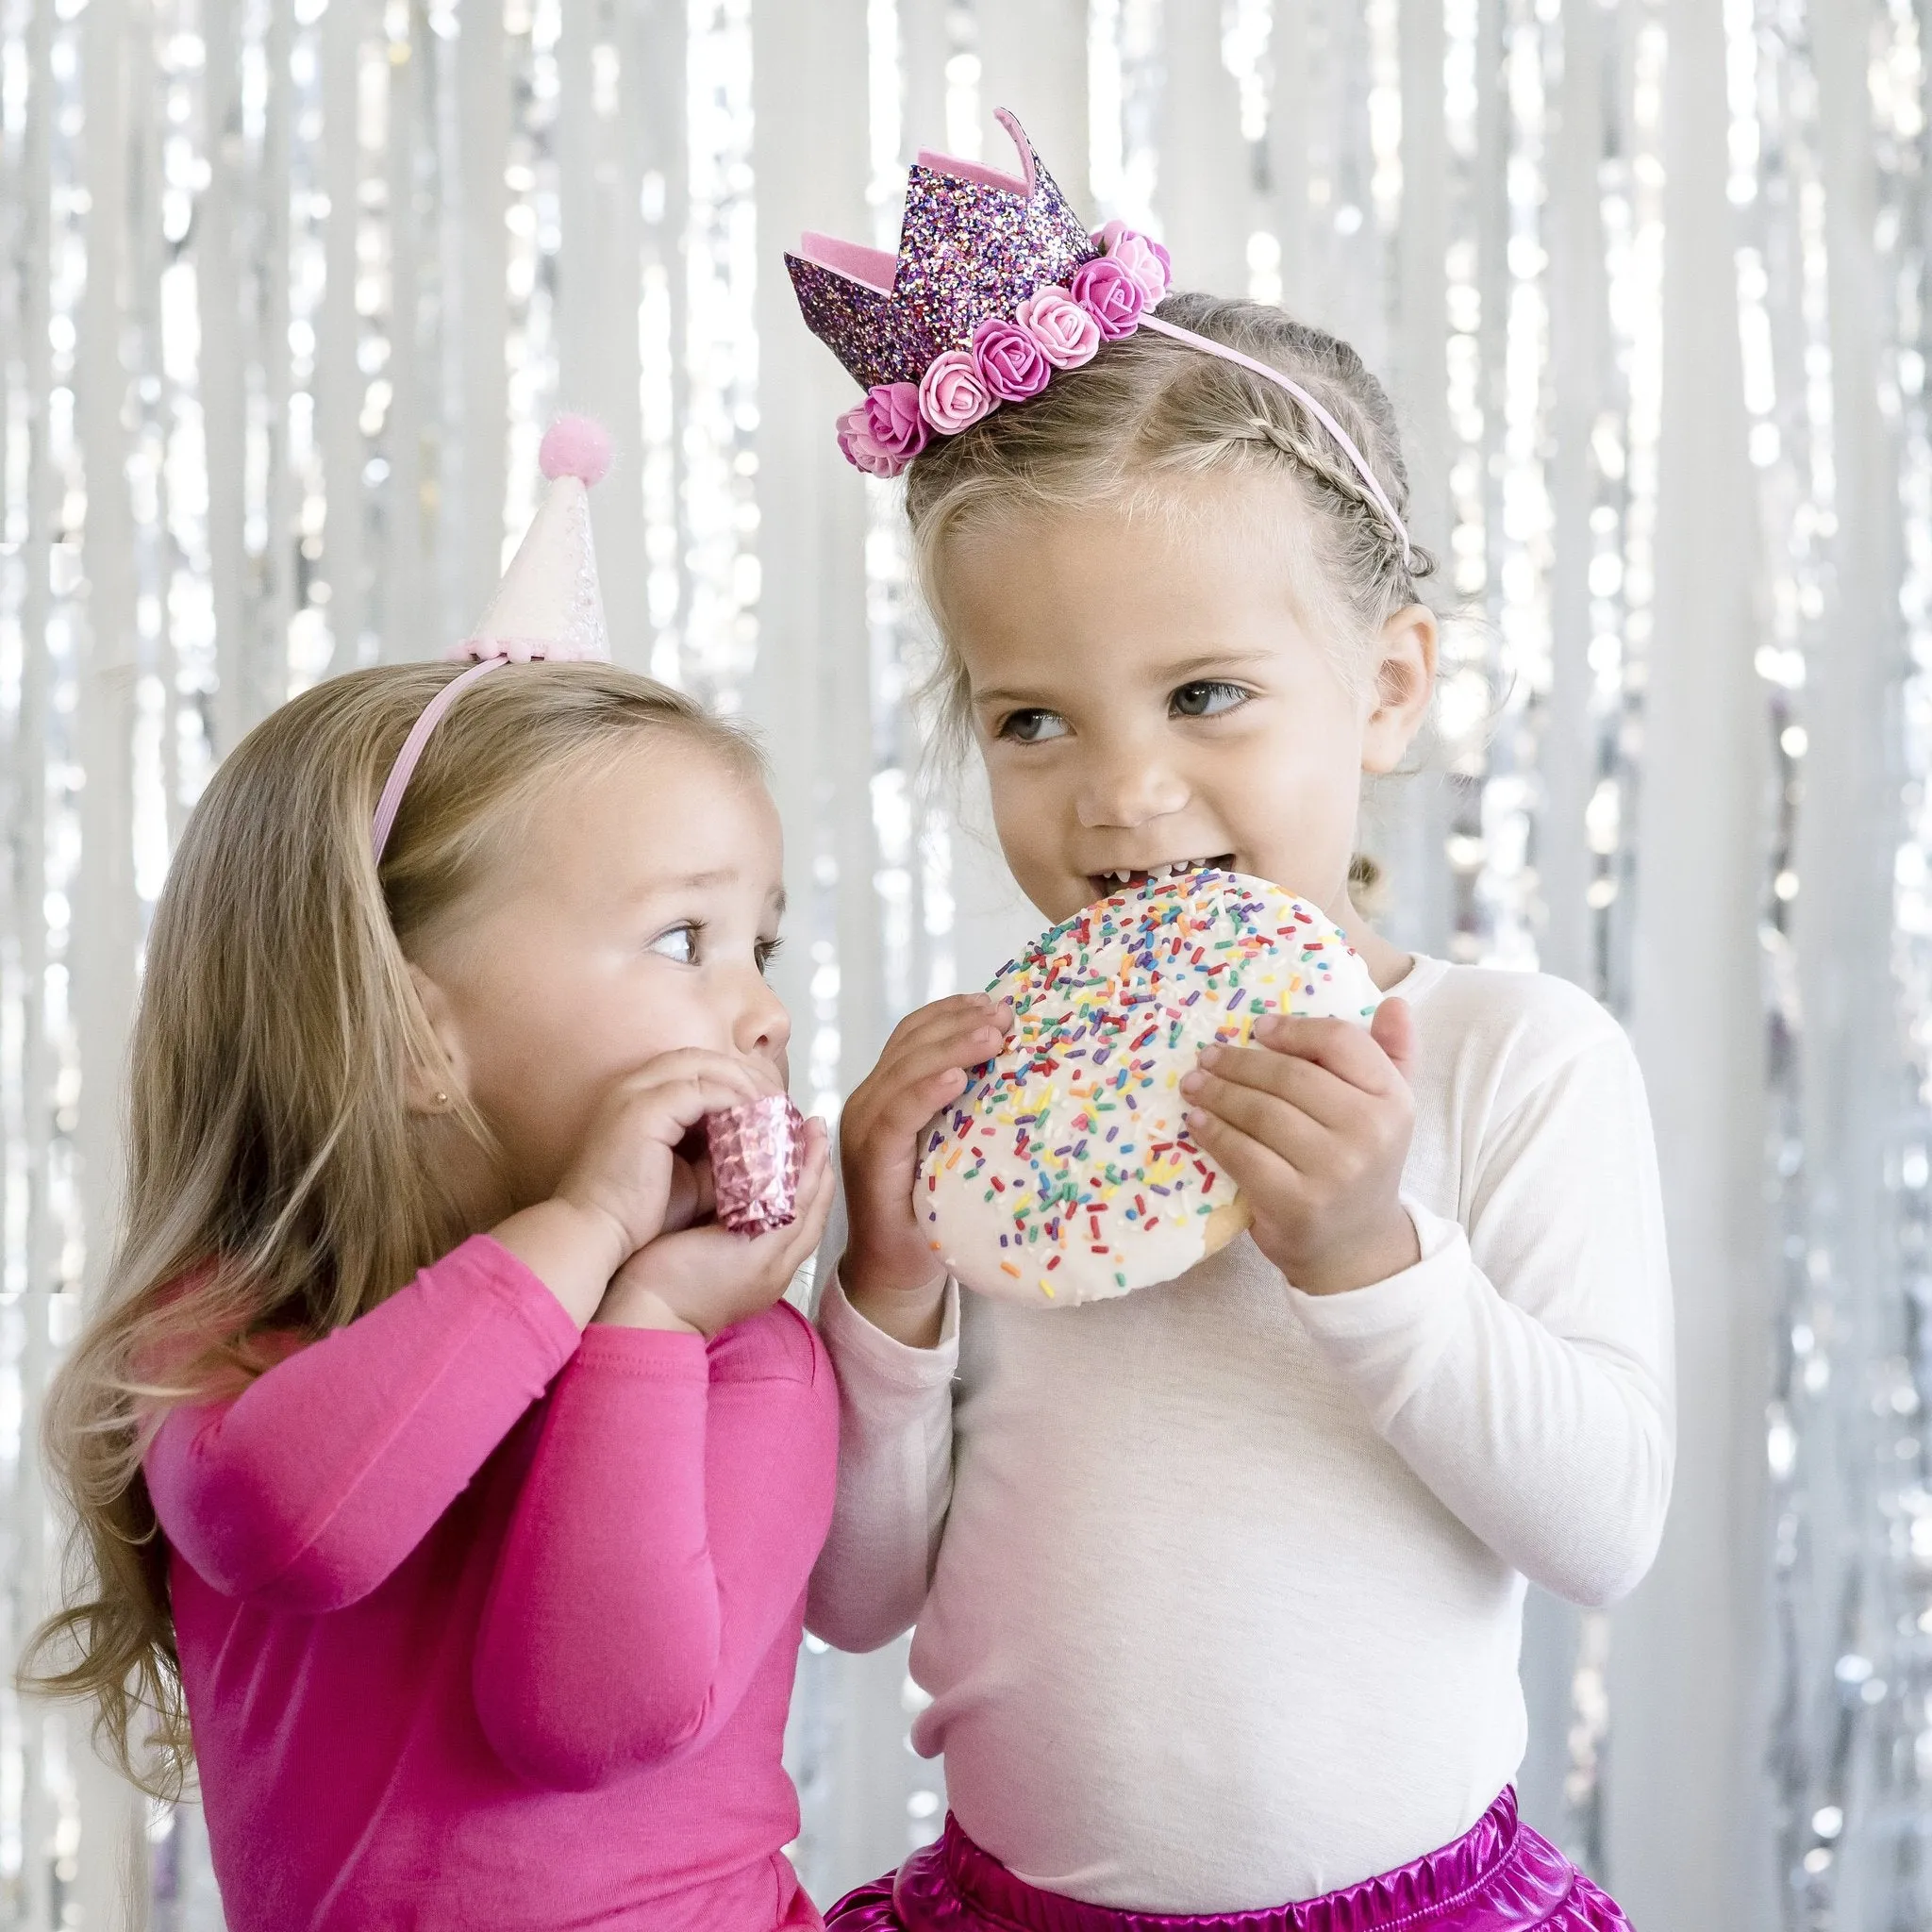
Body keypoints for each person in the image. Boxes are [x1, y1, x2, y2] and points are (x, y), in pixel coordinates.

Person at [789, 113, 1671, 1929]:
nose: (1118, 794)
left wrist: (1372, 1256)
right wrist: (879, 1298)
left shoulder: (1518, 1058)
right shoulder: (990, 1112)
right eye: (1030, 720)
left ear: (1388, 687)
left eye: (1204, 693)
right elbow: (858, 1595)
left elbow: (1606, 1531)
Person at [21, 422, 837, 1931]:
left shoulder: (745, 1360)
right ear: (409, 1028)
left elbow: (593, 1716)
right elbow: (307, 1526)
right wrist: (580, 1230)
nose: (764, 1011)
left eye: (762, 946)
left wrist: (643, 1329)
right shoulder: (229, 1335)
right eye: (686, 940)